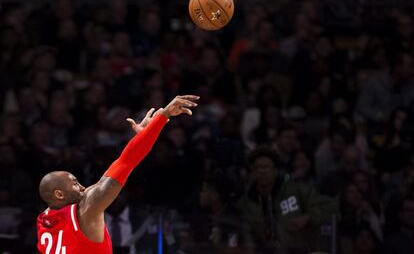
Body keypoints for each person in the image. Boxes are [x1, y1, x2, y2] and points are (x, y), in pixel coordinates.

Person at [36, 95, 199, 253]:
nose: (82, 187)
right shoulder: (87, 208)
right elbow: (125, 162)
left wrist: (143, 136)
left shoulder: (44, 219)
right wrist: (163, 116)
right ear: (59, 194)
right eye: (75, 183)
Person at [237, 147, 338, 254]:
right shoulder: (245, 204)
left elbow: (331, 206)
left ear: (275, 171)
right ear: (252, 173)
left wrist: (307, 217)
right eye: (258, 168)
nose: (262, 171)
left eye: (266, 167)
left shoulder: (295, 190)